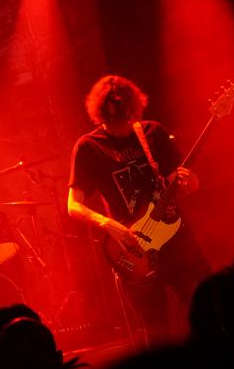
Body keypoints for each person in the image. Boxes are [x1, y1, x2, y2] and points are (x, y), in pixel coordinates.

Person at [67, 75, 211, 345]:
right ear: (101, 114)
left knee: (210, 314)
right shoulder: (89, 146)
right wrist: (107, 224)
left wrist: (191, 184)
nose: (118, 124)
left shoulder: (152, 133)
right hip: (135, 250)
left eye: (123, 116)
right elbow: (73, 206)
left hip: (177, 241)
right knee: (156, 335)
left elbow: (177, 183)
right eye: (111, 118)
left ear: (133, 110)